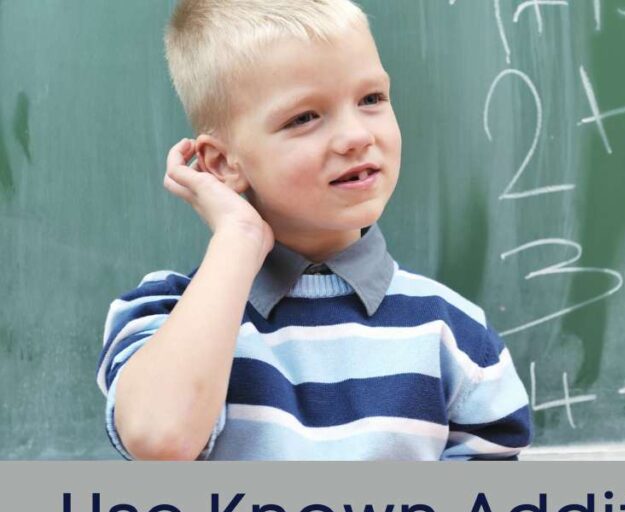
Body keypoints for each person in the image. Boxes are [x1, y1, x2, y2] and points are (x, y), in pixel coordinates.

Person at [95, 0, 532, 460]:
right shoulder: (165, 314)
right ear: (223, 164)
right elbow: (160, 439)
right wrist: (239, 238)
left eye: (371, 99)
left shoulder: (455, 334)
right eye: (304, 118)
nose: (356, 136)